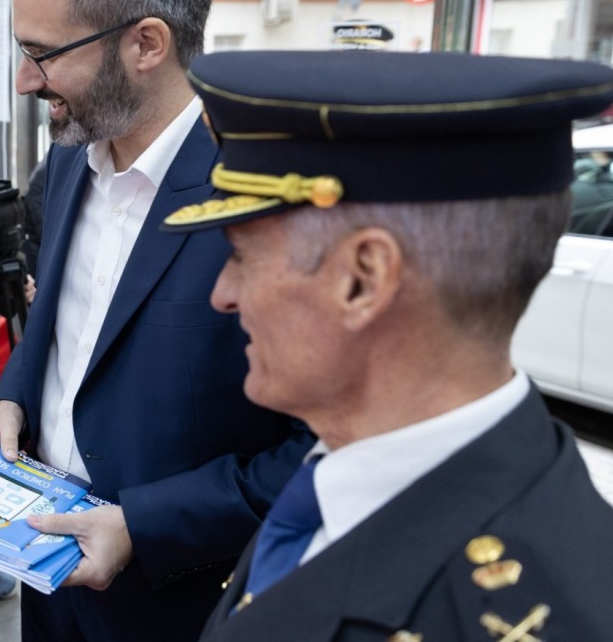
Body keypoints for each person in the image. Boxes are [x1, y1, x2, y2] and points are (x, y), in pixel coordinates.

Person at [160, 50, 613, 641]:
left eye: (242, 256)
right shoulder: (352, 469)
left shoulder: (514, 614)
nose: (223, 294)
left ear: (363, 280)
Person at [0, 0, 311, 642]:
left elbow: (321, 449)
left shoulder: (263, 199)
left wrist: (144, 526)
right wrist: (13, 399)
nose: (25, 82)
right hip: (49, 580)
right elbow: (66, 333)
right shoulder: (65, 169)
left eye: (43, 54)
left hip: (186, 602)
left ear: (146, 43)